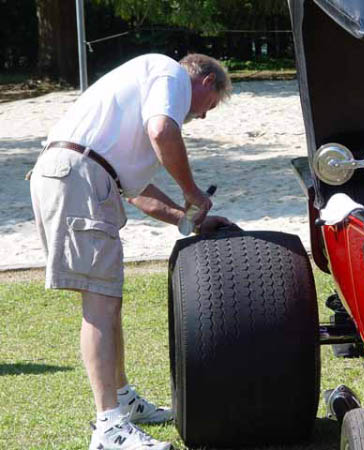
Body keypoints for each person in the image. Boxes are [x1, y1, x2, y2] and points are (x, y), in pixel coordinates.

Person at [29, 53, 233, 450]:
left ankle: (122, 401)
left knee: (108, 300)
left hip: (81, 175)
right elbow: (162, 133)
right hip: (79, 176)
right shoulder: (170, 73)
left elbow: (136, 192)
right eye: (210, 106)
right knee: (100, 303)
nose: (203, 117)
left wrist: (187, 219)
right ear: (206, 81)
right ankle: (108, 428)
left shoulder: (137, 100)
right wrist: (192, 193)